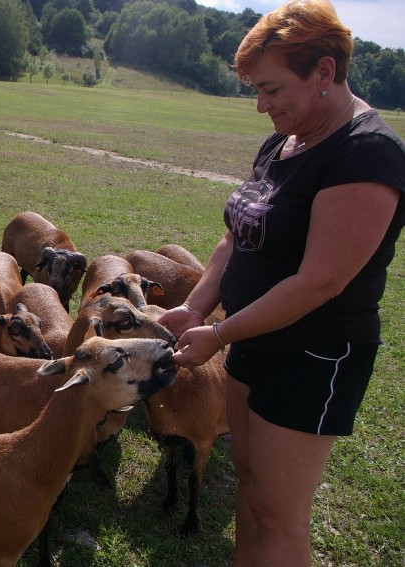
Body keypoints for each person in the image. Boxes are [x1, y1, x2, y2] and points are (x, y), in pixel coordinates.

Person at [156, 1, 405, 566]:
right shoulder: (284, 141)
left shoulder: (365, 154)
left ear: (324, 71)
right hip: (253, 345)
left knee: (279, 510)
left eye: (271, 90)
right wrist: (196, 310)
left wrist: (219, 337)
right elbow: (236, 239)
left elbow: (319, 282)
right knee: (248, 484)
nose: (261, 106)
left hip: (312, 356)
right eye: (255, 92)